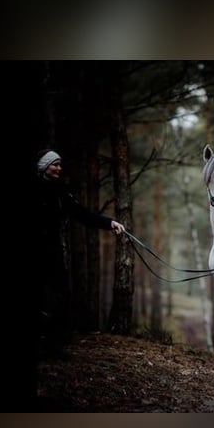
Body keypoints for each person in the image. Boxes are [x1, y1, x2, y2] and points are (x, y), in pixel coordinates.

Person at [34, 149, 125, 360]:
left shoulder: (60, 190)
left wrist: (109, 223)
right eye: (54, 164)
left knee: (62, 294)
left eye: (59, 164)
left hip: (52, 252)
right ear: (43, 166)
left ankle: (53, 347)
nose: (58, 168)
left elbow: (82, 214)